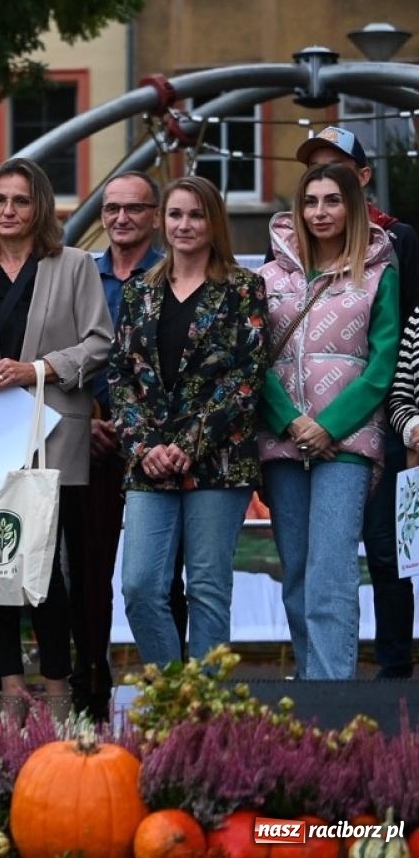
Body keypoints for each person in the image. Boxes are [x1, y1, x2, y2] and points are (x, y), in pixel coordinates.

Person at [0, 157, 112, 719]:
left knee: (41, 563)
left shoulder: (73, 265)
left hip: (48, 433)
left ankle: (59, 684)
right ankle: (12, 686)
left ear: (40, 206)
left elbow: (98, 342)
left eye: (20, 200)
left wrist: (36, 368)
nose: (8, 211)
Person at [108, 176, 266, 667]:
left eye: (196, 215)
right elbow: (120, 376)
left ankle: (205, 717)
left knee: (206, 589)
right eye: (175, 214)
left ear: (214, 221)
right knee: (139, 586)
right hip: (149, 465)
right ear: (162, 220)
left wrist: (190, 443)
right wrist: (145, 446)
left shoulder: (244, 288)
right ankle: (175, 695)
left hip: (217, 464)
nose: (184, 225)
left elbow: (247, 376)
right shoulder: (139, 293)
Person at [258, 162, 397, 681]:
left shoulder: (380, 273)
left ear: (352, 207)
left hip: (346, 444)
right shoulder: (266, 278)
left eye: (332, 200)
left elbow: (382, 365)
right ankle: (310, 685)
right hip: (281, 440)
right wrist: (292, 422)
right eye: (311, 201)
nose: (320, 212)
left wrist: (328, 426)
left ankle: (334, 696)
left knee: (332, 571)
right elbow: (253, 361)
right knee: (296, 570)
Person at [296, 126, 416, 679]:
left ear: (362, 179)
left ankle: (393, 672)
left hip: (392, 416)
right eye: (313, 172)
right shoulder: (285, 259)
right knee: (315, 563)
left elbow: (400, 336)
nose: (322, 190)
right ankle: (321, 677)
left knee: (388, 551)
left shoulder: (399, 244)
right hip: (305, 428)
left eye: (336, 171)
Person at [80, 171, 170, 717]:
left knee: (160, 576)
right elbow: (61, 353)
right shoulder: (82, 277)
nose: (120, 219)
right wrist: (79, 424)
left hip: (157, 443)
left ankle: (171, 687)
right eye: (111, 209)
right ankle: (91, 685)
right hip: (89, 435)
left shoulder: (171, 274)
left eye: (133, 209)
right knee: (88, 573)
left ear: (153, 215)